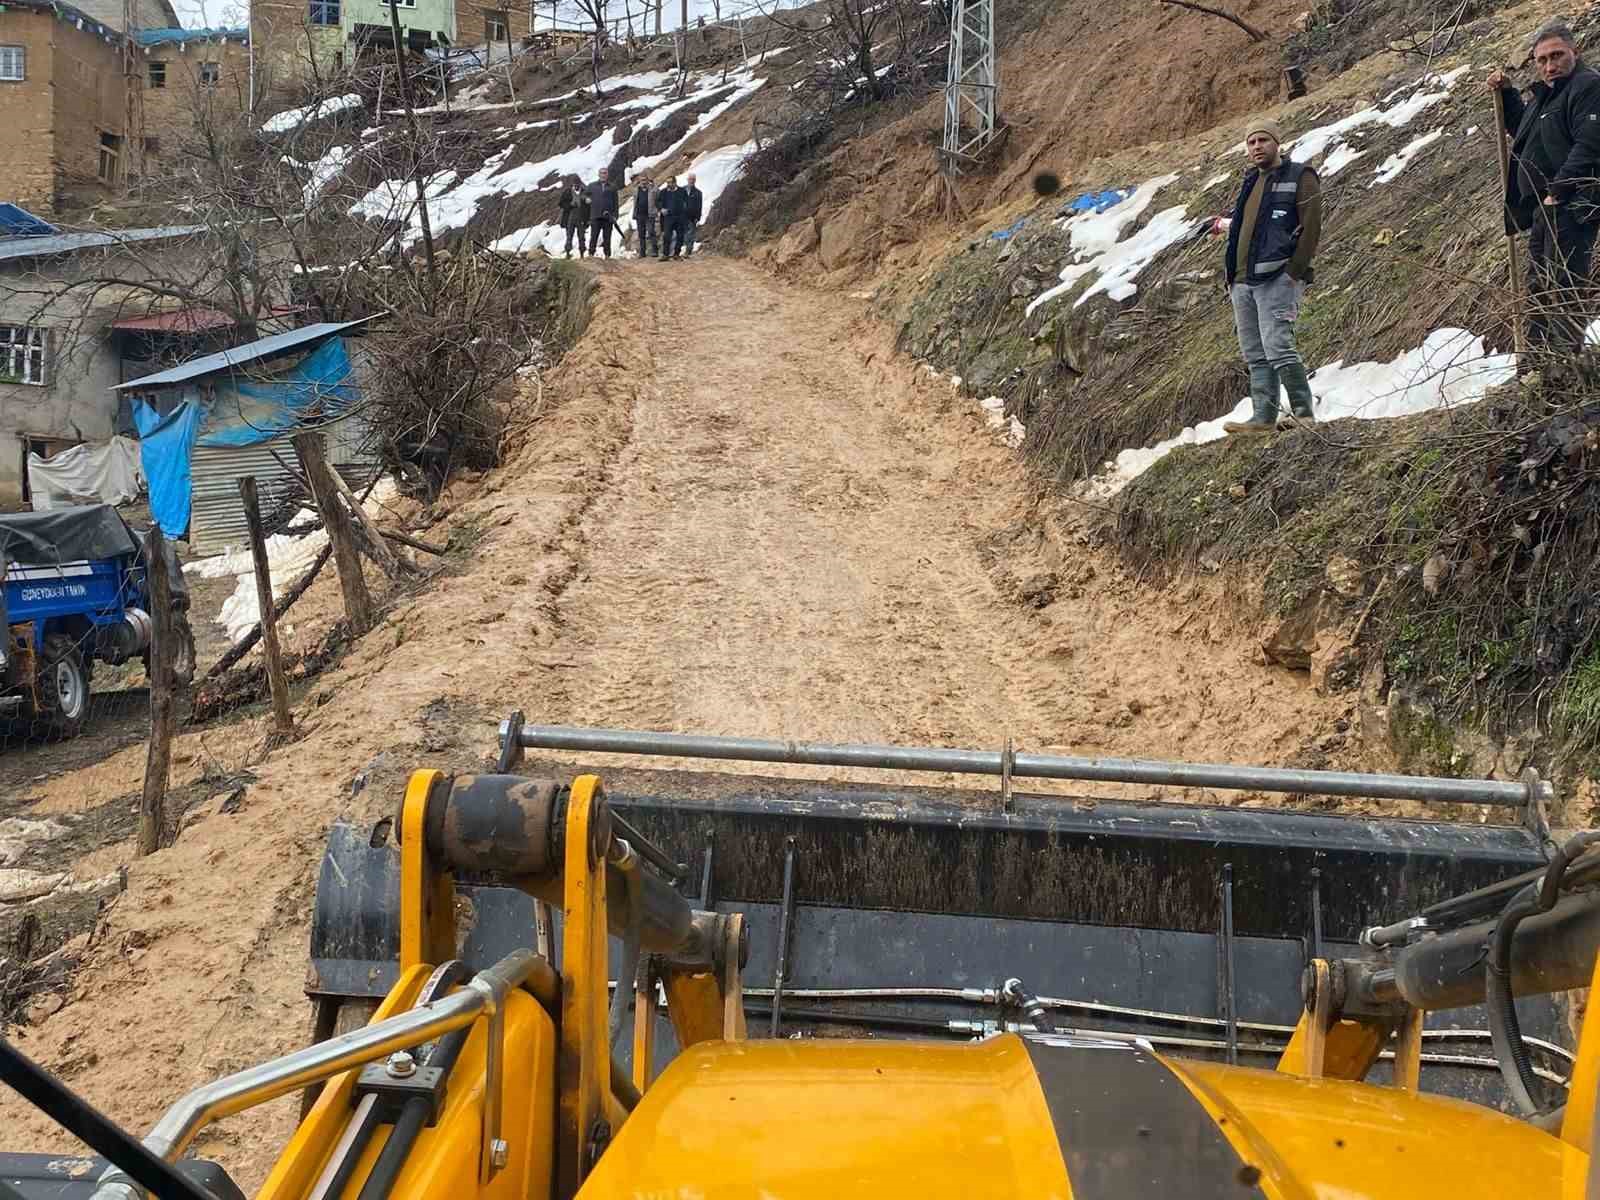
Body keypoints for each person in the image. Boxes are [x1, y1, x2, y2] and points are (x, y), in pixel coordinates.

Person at [1489, 21, 1600, 357]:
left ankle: (1565, 367)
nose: (1550, 65)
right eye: (1542, 60)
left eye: (1557, 56)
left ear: (1574, 52)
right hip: (1546, 207)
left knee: (1564, 286)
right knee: (1540, 286)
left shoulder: (1588, 87)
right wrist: (1507, 94)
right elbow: (1525, 133)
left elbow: (1591, 144)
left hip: (1573, 203)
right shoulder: (1548, 94)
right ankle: (1537, 367)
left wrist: (1559, 191)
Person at [1219, 119, 1323, 434]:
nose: (1257, 147)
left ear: (1277, 143)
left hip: (1277, 277)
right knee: (1254, 350)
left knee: (1277, 344)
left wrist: (1294, 272)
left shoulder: (1300, 176)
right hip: (1241, 279)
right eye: (1251, 143)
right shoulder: (1251, 181)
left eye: (1263, 140)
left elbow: (1312, 227)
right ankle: (1263, 418)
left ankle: (1304, 414)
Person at [586, 166, 620, 259]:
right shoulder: (592, 186)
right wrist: (586, 199)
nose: (603, 175)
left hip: (608, 217)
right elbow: (584, 195)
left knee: (607, 237)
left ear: (607, 175)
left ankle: (607, 255)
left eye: (605, 173)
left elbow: (616, 203)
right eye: (602, 173)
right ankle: (591, 254)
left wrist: (616, 215)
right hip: (595, 216)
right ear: (598, 174)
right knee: (594, 236)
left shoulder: (612, 187)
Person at [559, 177, 589, 258]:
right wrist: (570, 205)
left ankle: (582, 254)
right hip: (570, 216)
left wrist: (588, 219)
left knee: (582, 237)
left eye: (578, 184)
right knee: (569, 236)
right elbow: (561, 203)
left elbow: (588, 207)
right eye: (575, 184)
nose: (576, 186)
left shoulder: (584, 192)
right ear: (572, 184)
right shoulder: (567, 192)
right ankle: (568, 253)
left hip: (581, 216)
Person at [658, 178, 686, 260]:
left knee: (680, 236)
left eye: (670, 182)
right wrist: (661, 209)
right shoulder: (663, 192)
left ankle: (676, 254)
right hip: (668, 217)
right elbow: (658, 202)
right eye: (667, 183)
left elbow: (686, 202)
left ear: (675, 183)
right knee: (667, 236)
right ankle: (665, 255)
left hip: (679, 217)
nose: (668, 184)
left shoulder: (682, 191)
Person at [681, 173, 704, 256]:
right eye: (690, 179)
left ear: (695, 181)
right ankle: (685, 250)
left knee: (690, 233)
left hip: (692, 216)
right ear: (687, 180)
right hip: (682, 215)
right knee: (684, 233)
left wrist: (698, 217)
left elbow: (699, 206)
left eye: (693, 179)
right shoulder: (681, 190)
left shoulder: (698, 193)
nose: (691, 181)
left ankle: (688, 251)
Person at [633, 176, 656, 258]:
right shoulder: (637, 189)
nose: (643, 182)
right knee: (641, 234)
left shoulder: (652, 189)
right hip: (639, 215)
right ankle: (642, 252)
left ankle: (654, 251)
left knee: (651, 232)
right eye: (642, 180)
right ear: (640, 181)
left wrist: (653, 185)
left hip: (649, 215)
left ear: (647, 181)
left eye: (645, 180)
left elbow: (657, 194)